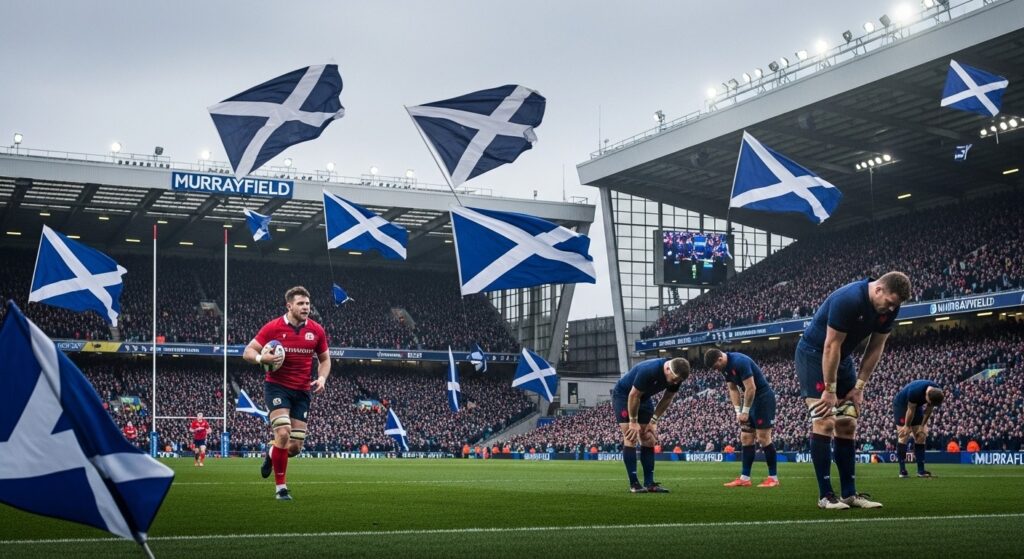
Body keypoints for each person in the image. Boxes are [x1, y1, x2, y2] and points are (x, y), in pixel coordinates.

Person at [795, 272, 911, 510]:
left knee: (848, 422)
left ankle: (849, 494)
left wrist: (859, 386)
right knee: (824, 421)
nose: (890, 309)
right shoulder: (848, 299)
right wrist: (829, 389)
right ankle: (825, 495)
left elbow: (876, 347)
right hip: (814, 354)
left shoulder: (890, 308)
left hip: (842, 358)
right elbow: (831, 345)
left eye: (895, 306)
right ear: (878, 289)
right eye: (889, 303)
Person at [243, 286, 331, 501]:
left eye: (308, 304)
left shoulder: (317, 330)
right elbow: (248, 351)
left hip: (302, 391)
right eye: (301, 304)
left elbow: (325, 360)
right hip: (277, 387)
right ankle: (281, 488)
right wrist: (260, 359)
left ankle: (272, 453)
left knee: (294, 447)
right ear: (289, 306)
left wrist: (321, 378)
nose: (306, 307)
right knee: (283, 433)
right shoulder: (273, 327)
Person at [611, 357, 691, 493]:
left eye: (679, 381)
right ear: (667, 369)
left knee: (649, 438)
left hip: (644, 398)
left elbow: (668, 398)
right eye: (675, 379)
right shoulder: (649, 370)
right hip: (624, 396)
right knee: (631, 436)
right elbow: (633, 395)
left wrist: (653, 421)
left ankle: (649, 483)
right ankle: (634, 484)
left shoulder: (677, 377)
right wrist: (633, 422)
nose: (676, 382)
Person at [705, 349, 779, 488]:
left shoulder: (740, 362)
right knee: (746, 437)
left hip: (763, 398)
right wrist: (737, 411)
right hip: (750, 400)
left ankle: (773, 478)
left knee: (763, 438)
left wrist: (745, 411)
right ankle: (745, 478)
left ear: (720, 359)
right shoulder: (724, 368)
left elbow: (751, 388)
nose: (716, 370)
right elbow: (733, 389)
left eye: (716, 367)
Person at [894, 380, 944, 478]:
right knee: (904, 435)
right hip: (901, 405)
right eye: (928, 402)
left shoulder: (937, 392)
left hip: (916, 407)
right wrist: (907, 426)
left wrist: (922, 426)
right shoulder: (915, 391)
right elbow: (910, 410)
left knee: (921, 435)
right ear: (927, 395)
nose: (929, 404)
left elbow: (929, 409)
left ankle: (920, 471)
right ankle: (902, 470)